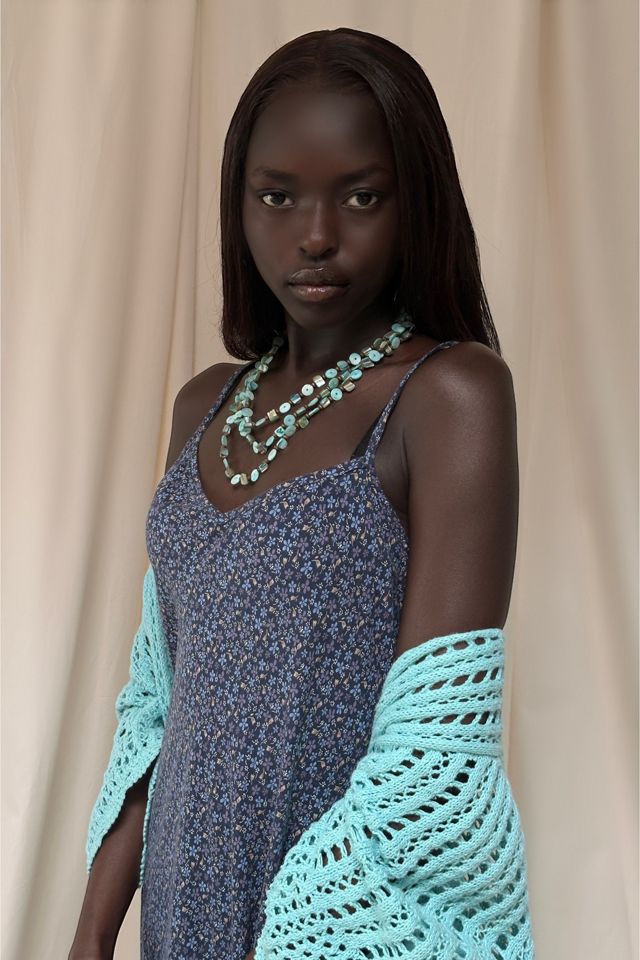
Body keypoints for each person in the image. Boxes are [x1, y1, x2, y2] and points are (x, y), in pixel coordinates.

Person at [70, 26, 531, 960]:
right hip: (183, 899)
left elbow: (434, 754)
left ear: (416, 201)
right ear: (238, 205)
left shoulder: (448, 395)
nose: (315, 236)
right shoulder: (203, 406)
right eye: (276, 197)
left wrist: (298, 927)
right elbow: (156, 711)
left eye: (361, 196)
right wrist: (90, 935)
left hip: (341, 912)